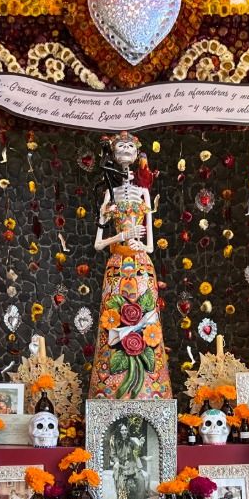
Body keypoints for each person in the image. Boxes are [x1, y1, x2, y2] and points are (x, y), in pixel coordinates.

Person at [89, 132, 172, 400]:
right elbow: (99, 243)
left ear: (137, 155)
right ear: (113, 154)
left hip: (141, 265)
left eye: (129, 146)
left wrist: (141, 246)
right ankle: (111, 388)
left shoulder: (144, 193)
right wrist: (121, 236)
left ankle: (148, 391)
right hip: (116, 263)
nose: (125, 150)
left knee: (144, 317)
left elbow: (149, 244)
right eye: (120, 146)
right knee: (114, 318)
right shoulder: (108, 195)